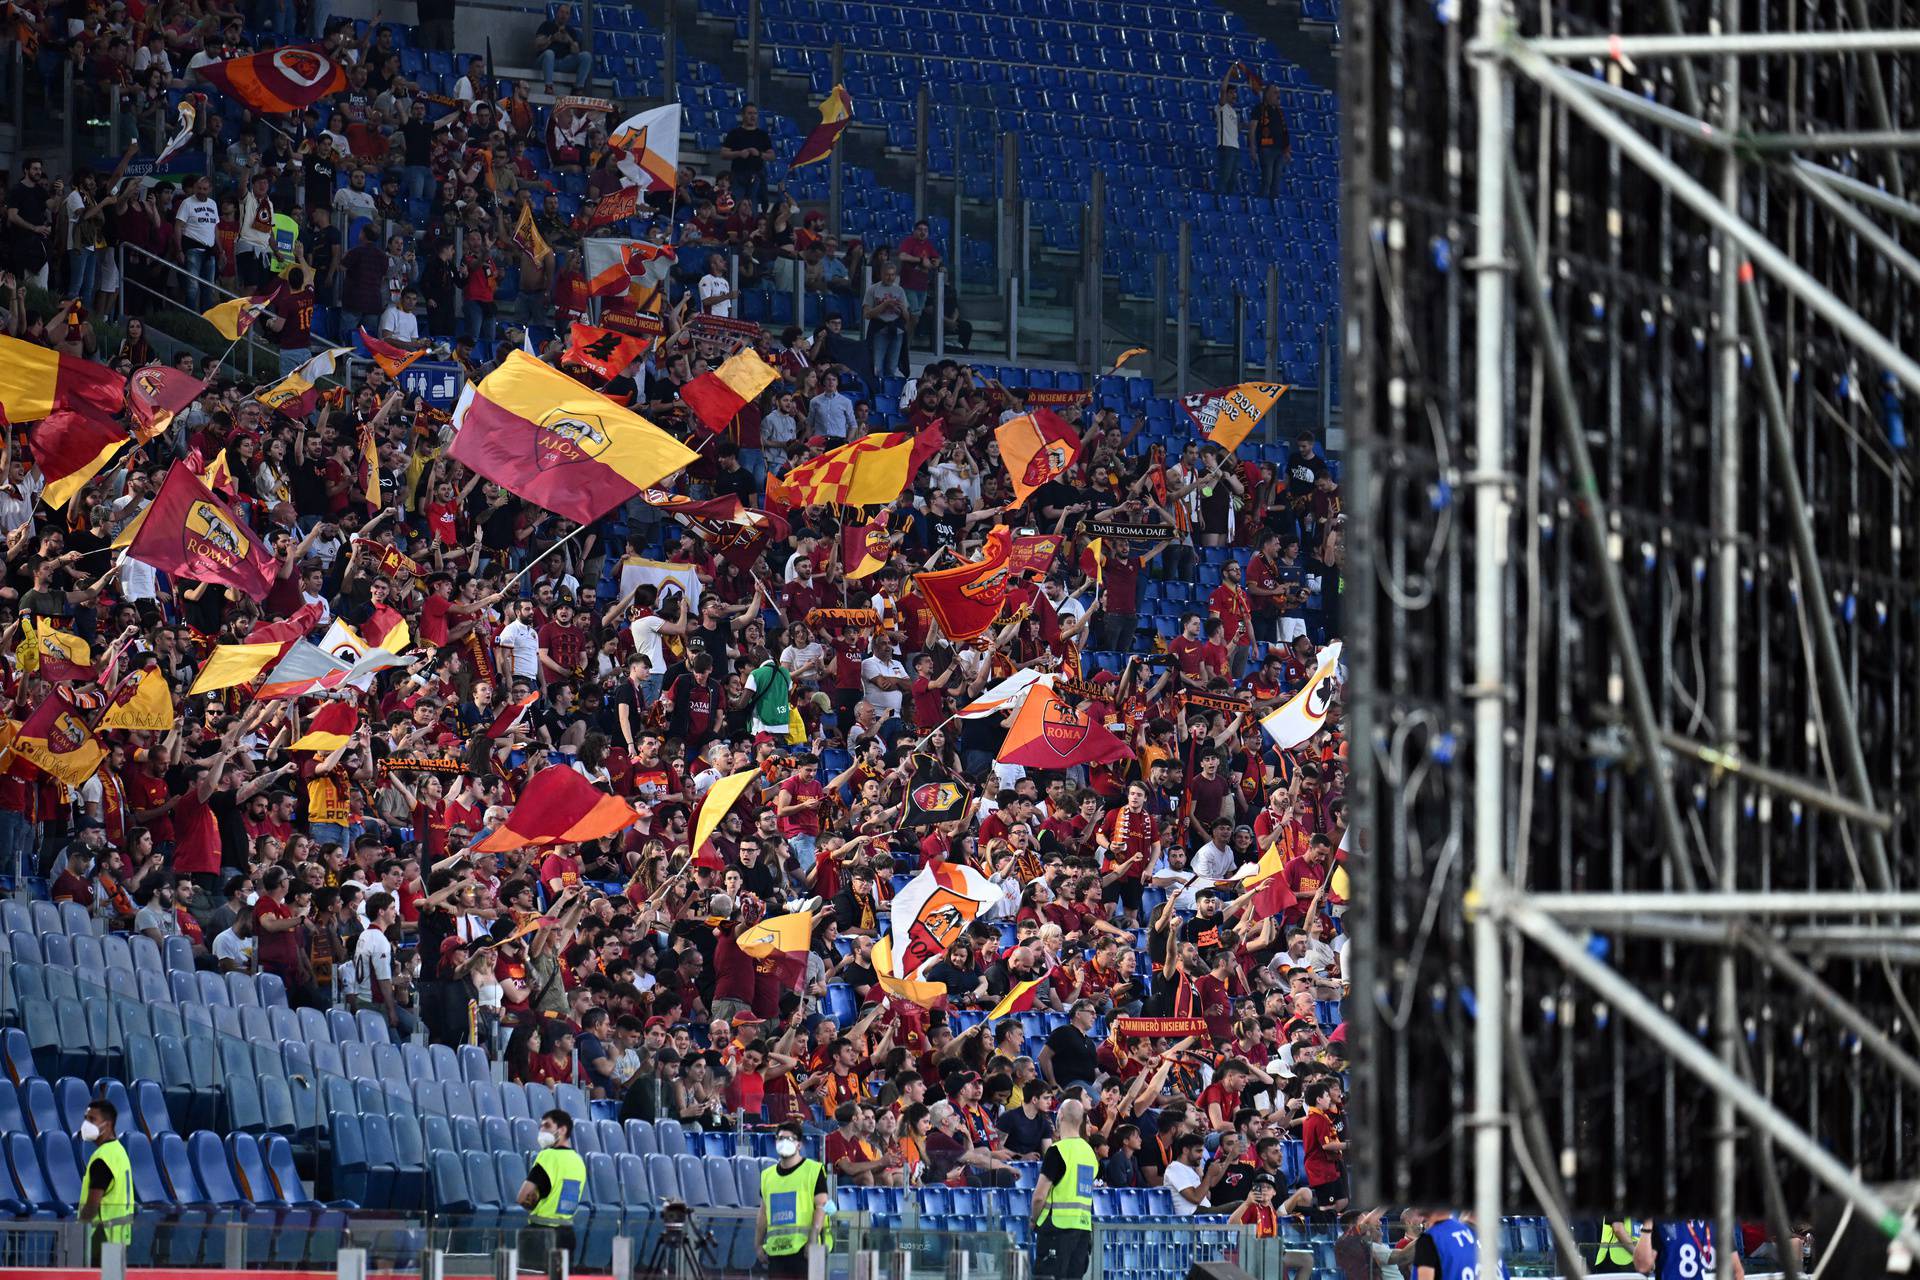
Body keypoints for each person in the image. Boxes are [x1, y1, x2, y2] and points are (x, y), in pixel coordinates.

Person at [1029, 1096, 1095, 1280]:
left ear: (1060, 1117)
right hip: (1082, 1228)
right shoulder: (1089, 1152)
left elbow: (1039, 1196)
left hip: (1056, 1229)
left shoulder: (1057, 1151)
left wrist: (1034, 1219)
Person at [757, 1118, 830, 1278]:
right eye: (780, 1138)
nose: (784, 1142)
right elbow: (763, 1213)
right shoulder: (767, 1176)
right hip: (776, 1252)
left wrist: (812, 1239)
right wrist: (758, 1244)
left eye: (789, 1139)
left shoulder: (813, 1170)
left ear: (799, 1145)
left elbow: (821, 1206)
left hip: (805, 1251)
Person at [515, 1108, 586, 1270]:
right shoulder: (578, 1161)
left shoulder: (547, 1156)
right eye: (540, 1127)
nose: (541, 1131)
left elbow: (522, 1197)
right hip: (567, 1235)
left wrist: (533, 1201)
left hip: (540, 1235)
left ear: (562, 1130)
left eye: (547, 1126)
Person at [78, 1098, 132, 1262]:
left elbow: (93, 1205)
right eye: (86, 1118)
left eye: (92, 1119)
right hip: (118, 1236)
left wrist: (78, 1230)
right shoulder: (119, 1151)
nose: (86, 1124)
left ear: (107, 1125)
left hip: (99, 1237)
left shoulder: (102, 1159)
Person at [1634, 1220, 1745, 1280]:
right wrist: (1647, 1224)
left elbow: (1737, 1272)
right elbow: (1642, 1266)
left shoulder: (1717, 1222)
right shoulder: (1662, 1222)